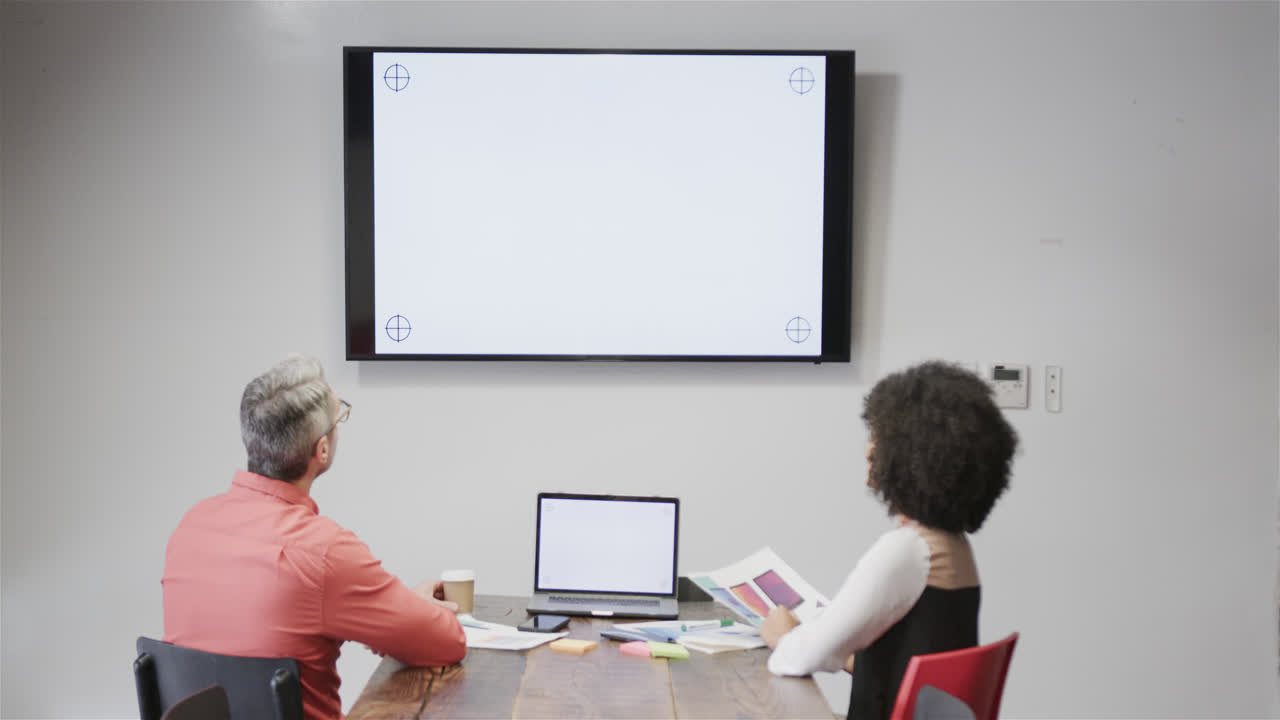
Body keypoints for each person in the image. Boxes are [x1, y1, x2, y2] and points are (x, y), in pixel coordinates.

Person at [162, 355, 465, 719]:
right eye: (340, 419)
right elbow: (446, 643)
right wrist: (418, 609)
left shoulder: (192, 527)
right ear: (321, 450)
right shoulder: (324, 551)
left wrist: (403, 609)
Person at [761, 361, 1018, 720]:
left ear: (912, 456)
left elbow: (798, 658)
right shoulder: (955, 546)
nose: (869, 450)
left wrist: (783, 635)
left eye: (879, 437)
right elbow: (911, 665)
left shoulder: (908, 551)